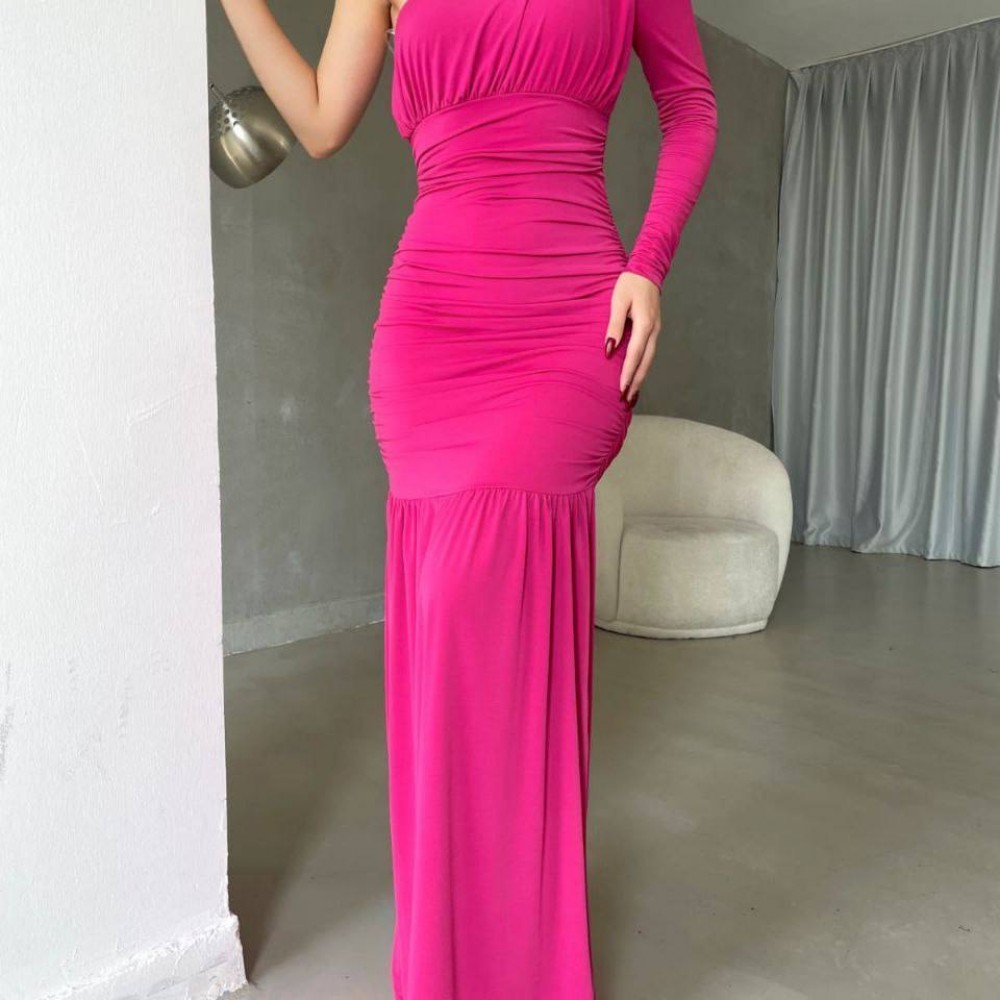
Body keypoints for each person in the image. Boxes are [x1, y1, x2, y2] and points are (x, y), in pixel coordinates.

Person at [220, 0, 718, 996]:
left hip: (570, 318)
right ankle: (452, 962)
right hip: (432, 329)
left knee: (492, 630)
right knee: (450, 641)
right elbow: (318, 120)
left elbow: (690, 106)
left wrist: (649, 264)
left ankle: (516, 963)